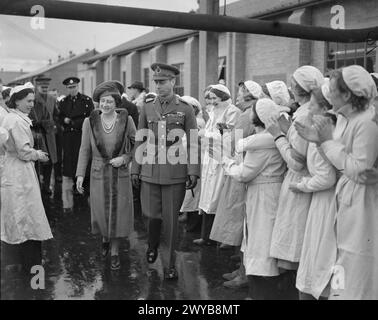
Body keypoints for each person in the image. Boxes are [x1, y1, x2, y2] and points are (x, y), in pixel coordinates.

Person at [295, 65, 378, 299]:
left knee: (354, 262)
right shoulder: (345, 118)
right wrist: (319, 141)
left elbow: (359, 170)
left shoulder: (366, 122)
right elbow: (341, 159)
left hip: (362, 204)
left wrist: (327, 143)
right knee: (340, 258)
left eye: (332, 90)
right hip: (346, 198)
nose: (328, 94)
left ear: (347, 94)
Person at [131, 63, 200, 280]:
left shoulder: (185, 109)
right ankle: (152, 243)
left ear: (173, 82)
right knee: (151, 215)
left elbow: (193, 143)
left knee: (171, 222)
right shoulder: (147, 107)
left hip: (175, 172)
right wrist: (136, 168)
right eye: (156, 82)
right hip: (150, 170)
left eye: (163, 82)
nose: (159, 86)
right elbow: (140, 139)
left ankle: (169, 265)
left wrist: (193, 171)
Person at [216, 98, 287, 299]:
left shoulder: (261, 143)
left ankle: (262, 291)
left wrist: (225, 162)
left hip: (263, 194)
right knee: (259, 237)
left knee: (260, 240)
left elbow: (244, 174)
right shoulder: (266, 139)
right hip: (268, 191)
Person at [266, 66, 324, 294]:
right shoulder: (305, 111)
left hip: (300, 184)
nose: (289, 87)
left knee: (296, 249)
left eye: (293, 84)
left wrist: (278, 135)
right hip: (302, 183)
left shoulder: (305, 114)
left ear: (299, 89)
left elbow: (298, 160)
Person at [76, 80, 136, 271]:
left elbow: (138, 145)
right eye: (102, 101)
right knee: (101, 212)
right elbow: (84, 149)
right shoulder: (89, 121)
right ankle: (104, 238)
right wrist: (79, 175)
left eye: (109, 101)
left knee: (118, 214)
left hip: (120, 173)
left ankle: (116, 251)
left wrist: (125, 158)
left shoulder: (127, 120)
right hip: (98, 173)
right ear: (98, 102)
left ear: (116, 102)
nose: (105, 105)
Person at [291, 81, 338, 300]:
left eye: (312, 105)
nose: (308, 109)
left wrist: (302, 185)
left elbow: (326, 177)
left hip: (327, 203)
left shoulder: (321, 131)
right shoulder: (331, 128)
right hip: (332, 200)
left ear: (325, 107)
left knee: (322, 255)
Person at [1, 82, 53, 277]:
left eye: (33, 100)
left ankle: (24, 266)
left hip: (15, 171)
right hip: (19, 172)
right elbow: (23, 152)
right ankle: (32, 270)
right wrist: (39, 154)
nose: (32, 104)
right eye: (28, 101)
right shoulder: (16, 121)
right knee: (26, 216)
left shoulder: (15, 118)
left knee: (20, 215)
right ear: (18, 101)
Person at [196, 84, 241, 246]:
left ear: (224, 96)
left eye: (215, 98)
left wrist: (206, 134)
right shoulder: (213, 111)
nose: (212, 101)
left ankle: (220, 237)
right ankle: (206, 236)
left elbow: (228, 136)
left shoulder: (232, 112)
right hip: (210, 158)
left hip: (223, 159)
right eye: (210, 98)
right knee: (208, 198)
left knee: (219, 198)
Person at [59, 77, 94, 213]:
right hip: (68, 139)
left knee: (84, 167)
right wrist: (65, 120)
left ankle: (87, 201)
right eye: (69, 88)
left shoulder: (86, 101)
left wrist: (74, 122)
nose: (72, 89)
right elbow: (59, 117)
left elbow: (91, 118)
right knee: (68, 170)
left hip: (81, 137)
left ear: (78, 87)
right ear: (67, 89)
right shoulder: (63, 102)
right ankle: (68, 205)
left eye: (74, 87)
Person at [179, 96, 206, 231]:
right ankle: (189, 219)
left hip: (194, 161)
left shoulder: (198, 122)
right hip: (186, 160)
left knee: (194, 193)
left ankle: (193, 224)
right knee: (189, 194)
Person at [30, 75, 58, 195]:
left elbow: (56, 114)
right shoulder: (32, 99)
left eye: (46, 87)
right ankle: (37, 187)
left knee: (49, 160)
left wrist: (54, 124)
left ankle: (46, 186)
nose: (45, 89)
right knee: (38, 161)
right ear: (37, 86)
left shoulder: (52, 99)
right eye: (42, 87)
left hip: (50, 134)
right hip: (38, 134)